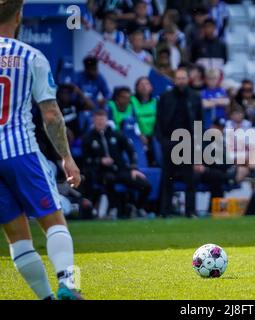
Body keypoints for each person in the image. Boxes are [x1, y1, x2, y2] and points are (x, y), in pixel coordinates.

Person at [0, 0, 83, 300]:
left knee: (18, 239)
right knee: (54, 223)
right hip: (21, 151)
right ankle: (69, 285)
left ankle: (46, 298)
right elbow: (51, 115)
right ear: (19, 15)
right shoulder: (31, 56)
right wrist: (67, 158)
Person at [82, 110, 151, 218]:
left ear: (107, 120)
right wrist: (100, 161)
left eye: (102, 119)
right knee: (108, 179)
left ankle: (138, 207)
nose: (100, 122)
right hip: (101, 171)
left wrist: (133, 167)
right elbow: (85, 159)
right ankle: (113, 208)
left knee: (146, 185)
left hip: (121, 170)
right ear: (93, 121)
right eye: (98, 120)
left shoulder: (116, 134)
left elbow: (131, 151)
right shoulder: (88, 138)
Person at [156, 68, 203, 218]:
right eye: (178, 78)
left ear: (187, 79)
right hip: (169, 141)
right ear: (174, 80)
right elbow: (159, 121)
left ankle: (190, 211)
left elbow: (200, 122)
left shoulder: (195, 97)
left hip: (188, 142)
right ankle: (165, 211)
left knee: (190, 179)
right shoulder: (165, 97)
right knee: (167, 178)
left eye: (183, 78)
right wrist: (163, 141)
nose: (181, 81)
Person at [131, 77, 158, 165]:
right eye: (141, 84)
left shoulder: (156, 101)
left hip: (154, 135)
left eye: (146, 84)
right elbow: (131, 120)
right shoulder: (132, 101)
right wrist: (140, 134)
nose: (144, 86)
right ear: (136, 88)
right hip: (138, 135)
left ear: (151, 87)